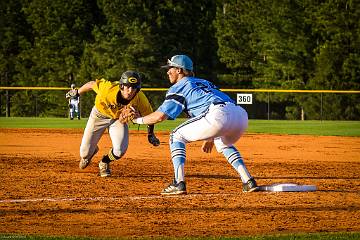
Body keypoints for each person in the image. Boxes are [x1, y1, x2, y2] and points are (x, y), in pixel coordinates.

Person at [132, 55, 259, 195]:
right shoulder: (204, 82)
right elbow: (217, 105)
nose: (168, 72)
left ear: (180, 70)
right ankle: (248, 181)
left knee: (176, 135)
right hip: (240, 115)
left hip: (217, 114)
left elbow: (160, 116)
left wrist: (137, 120)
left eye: (170, 68)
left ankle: (178, 182)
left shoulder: (179, 86)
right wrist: (211, 136)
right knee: (223, 143)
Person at [76, 70, 160, 177]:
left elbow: (150, 116)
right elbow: (92, 84)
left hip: (118, 119)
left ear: (137, 89)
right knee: (84, 153)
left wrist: (150, 134)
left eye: (134, 88)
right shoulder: (108, 89)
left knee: (120, 150)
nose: (130, 91)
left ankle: (104, 162)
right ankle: (91, 151)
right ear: (121, 86)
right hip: (99, 115)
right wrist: (77, 92)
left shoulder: (139, 98)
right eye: (127, 86)